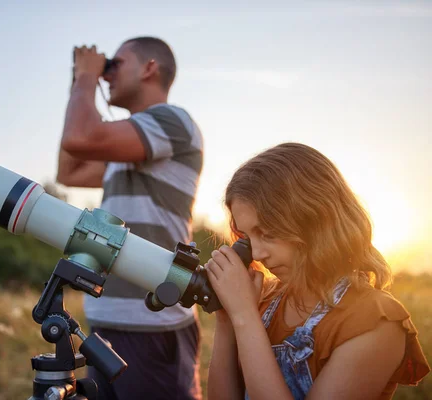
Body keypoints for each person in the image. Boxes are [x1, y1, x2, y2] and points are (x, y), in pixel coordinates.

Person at [205, 142, 430, 399]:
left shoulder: (374, 321)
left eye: (267, 233)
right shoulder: (264, 302)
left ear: (314, 218)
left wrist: (244, 316)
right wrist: (226, 317)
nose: (257, 255)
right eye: (247, 237)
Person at [57, 37, 204, 400]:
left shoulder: (172, 122)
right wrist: (80, 81)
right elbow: (69, 170)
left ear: (150, 68)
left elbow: (79, 137)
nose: (107, 75)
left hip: (151, 323)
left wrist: (86, 79)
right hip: (107, 320)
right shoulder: (123, 149)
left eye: (116, 64)